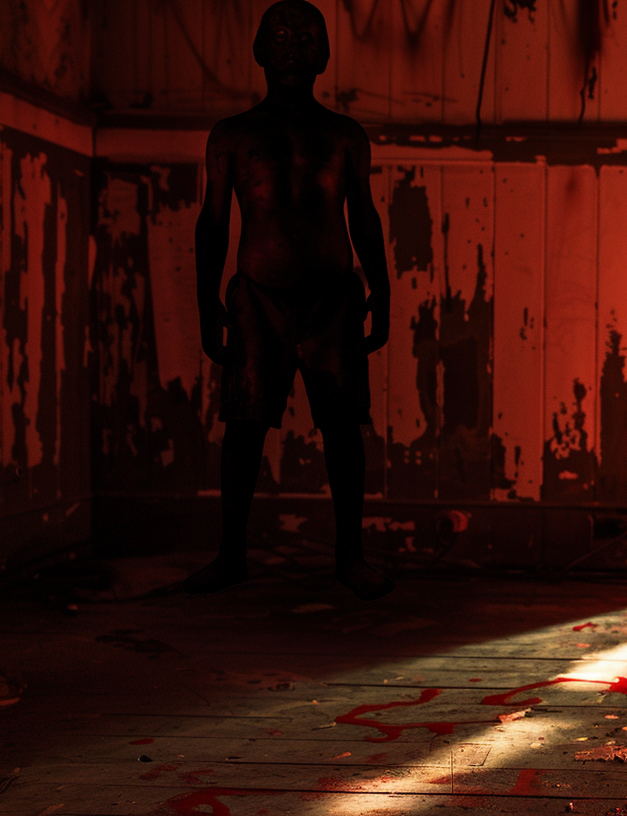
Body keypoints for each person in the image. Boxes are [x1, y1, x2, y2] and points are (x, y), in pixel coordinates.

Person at [185, 0, 394, 601]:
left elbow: (365, 217)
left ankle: (349, 556)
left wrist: (380, 291)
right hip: (258, 295)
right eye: (279, 33)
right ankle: (231, 554)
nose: (293, 44)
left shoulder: (344, 136)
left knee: (343, 428)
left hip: (332, 295)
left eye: (306, 35)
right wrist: (207, 303)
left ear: (325, 54)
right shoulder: (233, 136)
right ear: (259, 48)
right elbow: (212, 223)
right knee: (245, 427)